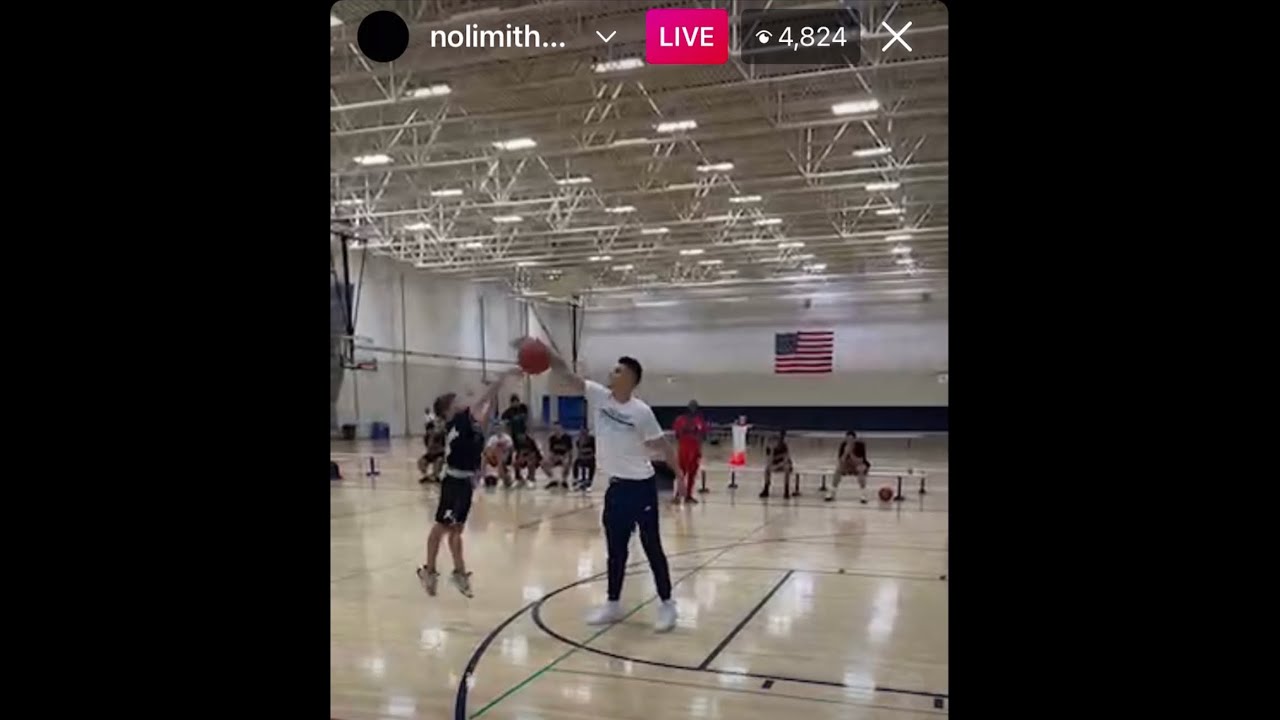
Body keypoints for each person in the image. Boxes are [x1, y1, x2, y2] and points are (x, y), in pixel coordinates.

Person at [517, 337, 680, 632]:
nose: (611, 373)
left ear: (630, 379)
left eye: (618, 371)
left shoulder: (641, 412)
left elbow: (664, 447)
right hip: (616, 488)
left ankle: (668, 604)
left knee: (652, 547)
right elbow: (566, 374)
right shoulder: (599, 396)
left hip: (642, 487)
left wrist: (681, 479)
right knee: (615, 550)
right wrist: (546, 351)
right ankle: (613, 604)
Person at [417, 368, 521, 598]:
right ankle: (433, 571)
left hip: (465, 483)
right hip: (453, 481)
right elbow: (482, 401)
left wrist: (495, 396)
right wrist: (501, 380)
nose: (463, 402)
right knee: (443, 527)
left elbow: (487, 414)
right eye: (457, 401)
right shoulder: (459, 421)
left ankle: (457, 573)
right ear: (448, 409)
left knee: (455, 530)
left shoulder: (469, 424)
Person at [671, 400, 707, 504]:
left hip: (695, 449)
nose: (693, 409)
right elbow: (677, 435)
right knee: (681, 473)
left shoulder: (699, 420)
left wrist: (698, 445)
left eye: (695, 407)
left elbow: (704, 435)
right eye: (691, 407)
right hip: (684, 449)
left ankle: (688, 495)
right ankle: (677, 495)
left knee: (692, 474)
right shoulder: (680, 420)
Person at [827, 430, 870, 503]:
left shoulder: (860, 445)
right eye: (848, 439)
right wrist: (845, 453)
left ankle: (863, 495)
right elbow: (841, 460)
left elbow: (860, 461)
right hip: (847, 464)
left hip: (859, 464)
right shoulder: (843, 445)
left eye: (851, 439)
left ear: (854, 439)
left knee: (860, 469)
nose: (849, 441)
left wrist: (851, 453)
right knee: (838, 470)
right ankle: (832, 492)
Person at [761, 429, 793, 498]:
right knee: (767, 469)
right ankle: (766, 489)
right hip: (775, 464)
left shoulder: (784, 446)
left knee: (787, 468)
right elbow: (769, 460)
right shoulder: (770, 448)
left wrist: (777, 466)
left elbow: (786, 459)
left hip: (784, 464)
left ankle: (786, 491)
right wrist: (772, 451)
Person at [482, 422, 514, 488]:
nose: (498, 429)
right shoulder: (492, 438)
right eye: (496, 428)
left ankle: (501, 475)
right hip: (494, 457)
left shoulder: (507, 438)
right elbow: (487, 449)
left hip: (505, 457)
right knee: (484, 455)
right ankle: (483, 475)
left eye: (500, 428)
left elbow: (510, 449)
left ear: (503, 428)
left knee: (499, 452)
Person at [543, 423, 574, 489]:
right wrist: (552, 457)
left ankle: (564, 481)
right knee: (544, 463)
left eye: (558, 429)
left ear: (561, 429)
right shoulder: (552, 438)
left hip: (564, 457)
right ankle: (553, 480)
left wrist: (563, 458)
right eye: (555, 429)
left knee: (567, 461)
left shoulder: (567, 438)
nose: (556, 431)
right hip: (555, 457)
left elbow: (570, 452)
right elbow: (551, 452)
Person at [418, 414, 447, 484]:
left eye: (431, 430)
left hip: (439, 454)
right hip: (430, 454)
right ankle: (426, 475)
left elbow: (443, 443)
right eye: (428, 430)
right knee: (421, 462)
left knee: (438, 462)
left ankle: (437, 476)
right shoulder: (426, 437)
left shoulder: (439, 435)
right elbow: (427, 446)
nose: (430, 431)